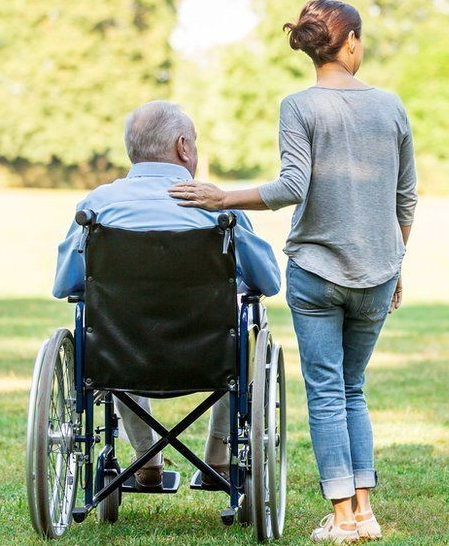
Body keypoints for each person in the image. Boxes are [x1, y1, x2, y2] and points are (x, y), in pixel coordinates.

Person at [168, 0, 418, 542]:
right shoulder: (392, 107)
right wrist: (395, 265)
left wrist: (222, 196)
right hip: (377, 271)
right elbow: (405, 200)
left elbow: (291, 187)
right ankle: (366, 512)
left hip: (316, 271)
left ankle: (344, 519)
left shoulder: (298, 106)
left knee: (327, 391)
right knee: (354, 388)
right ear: (349, 41)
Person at [53, 100, 280, 490]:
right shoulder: (217, 209)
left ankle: (147, 464)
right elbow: (270, 283)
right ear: (183, 147)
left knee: (112, 327)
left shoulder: (97, 207)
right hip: (209, 356)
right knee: (245, 332)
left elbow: (66, 286)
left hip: (121, 356)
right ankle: (220, 462)